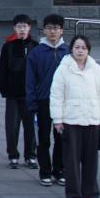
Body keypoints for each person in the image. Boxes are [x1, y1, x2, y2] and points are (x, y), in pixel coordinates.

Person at [50, 35, 100, 198]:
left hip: (92, 120)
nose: (80, 51)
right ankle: (74, 195)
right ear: (71, 49)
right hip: (71, 121)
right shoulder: (63, 69)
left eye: (83, 48)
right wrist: (58, 119)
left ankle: (91, 195)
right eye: (77, 47)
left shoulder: (95, 69)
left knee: (91, 160)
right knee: (72, 160)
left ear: (88, 50)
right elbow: (56, 95)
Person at [26, 13, 69, 187]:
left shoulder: (68, 52)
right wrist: (32, 103)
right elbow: (30, 80)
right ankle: (45, 171)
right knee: (43, 139)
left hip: (64, 103)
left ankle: (60, 170)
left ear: (61, 31)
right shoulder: (36, 53)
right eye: (49, 28)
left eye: (56, 28)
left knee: (62, 138)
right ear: (44, 30)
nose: (52, 31)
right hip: (43, 101)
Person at [0, 14, 37, 170]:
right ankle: (13, 155)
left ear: (29, 28)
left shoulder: (35, 46)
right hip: (12, 94)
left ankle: (31, 156)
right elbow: (2, 69)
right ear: (14, 28)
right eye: (19, 26)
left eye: (25, 26)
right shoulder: (8, 47)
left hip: (30, 94)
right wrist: (4, 89)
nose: (22, 29)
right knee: (12, 126)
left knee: (30, 127)